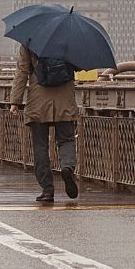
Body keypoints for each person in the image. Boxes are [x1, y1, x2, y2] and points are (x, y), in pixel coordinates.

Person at [10, 42, 79, 204]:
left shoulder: (29, 41)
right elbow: (79, 66)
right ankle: (67, 168)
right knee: (66, 140)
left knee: (40, 146)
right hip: (64, 99)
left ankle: (47, 190)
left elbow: (22, 73)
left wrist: (15, 101)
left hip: (38, 100)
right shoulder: (69, 38)